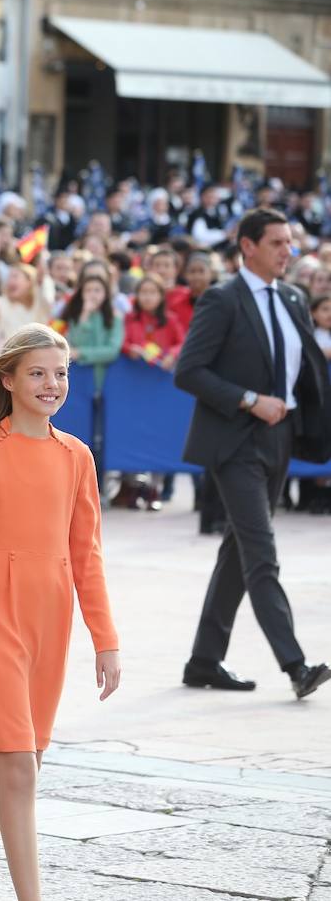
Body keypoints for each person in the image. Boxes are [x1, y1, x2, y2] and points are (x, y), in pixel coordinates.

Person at [0, 324, 122, 901]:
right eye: (37, 372)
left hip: (51, 617)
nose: (51, 383)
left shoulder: (77, 456)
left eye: (60, 372)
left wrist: (105, 638)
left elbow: (86, 553)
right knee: (19, 766)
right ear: (9, 380)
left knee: (26, 758)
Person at [174, 208, 331, 699]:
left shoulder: (293, 298)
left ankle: (204, 661)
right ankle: (295, 664)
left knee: (238, 550)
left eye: (290, 242)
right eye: (277, 242)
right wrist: (247, 400)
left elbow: (305, 370)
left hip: (279, 439)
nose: (288, 251)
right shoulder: (222, 300)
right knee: (261, 552)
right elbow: (189, 371)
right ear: (248, 246)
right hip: (235, 440)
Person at [60, 273, 123, 383]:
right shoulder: (74, 316)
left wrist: (81, 353)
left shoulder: (115, 317)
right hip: (80, 376)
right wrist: (85, 315)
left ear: (105, 293)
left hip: (107, 376)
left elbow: (112, 351)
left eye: (97, 290)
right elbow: (76, 342)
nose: (92, 294)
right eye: (88, 290)